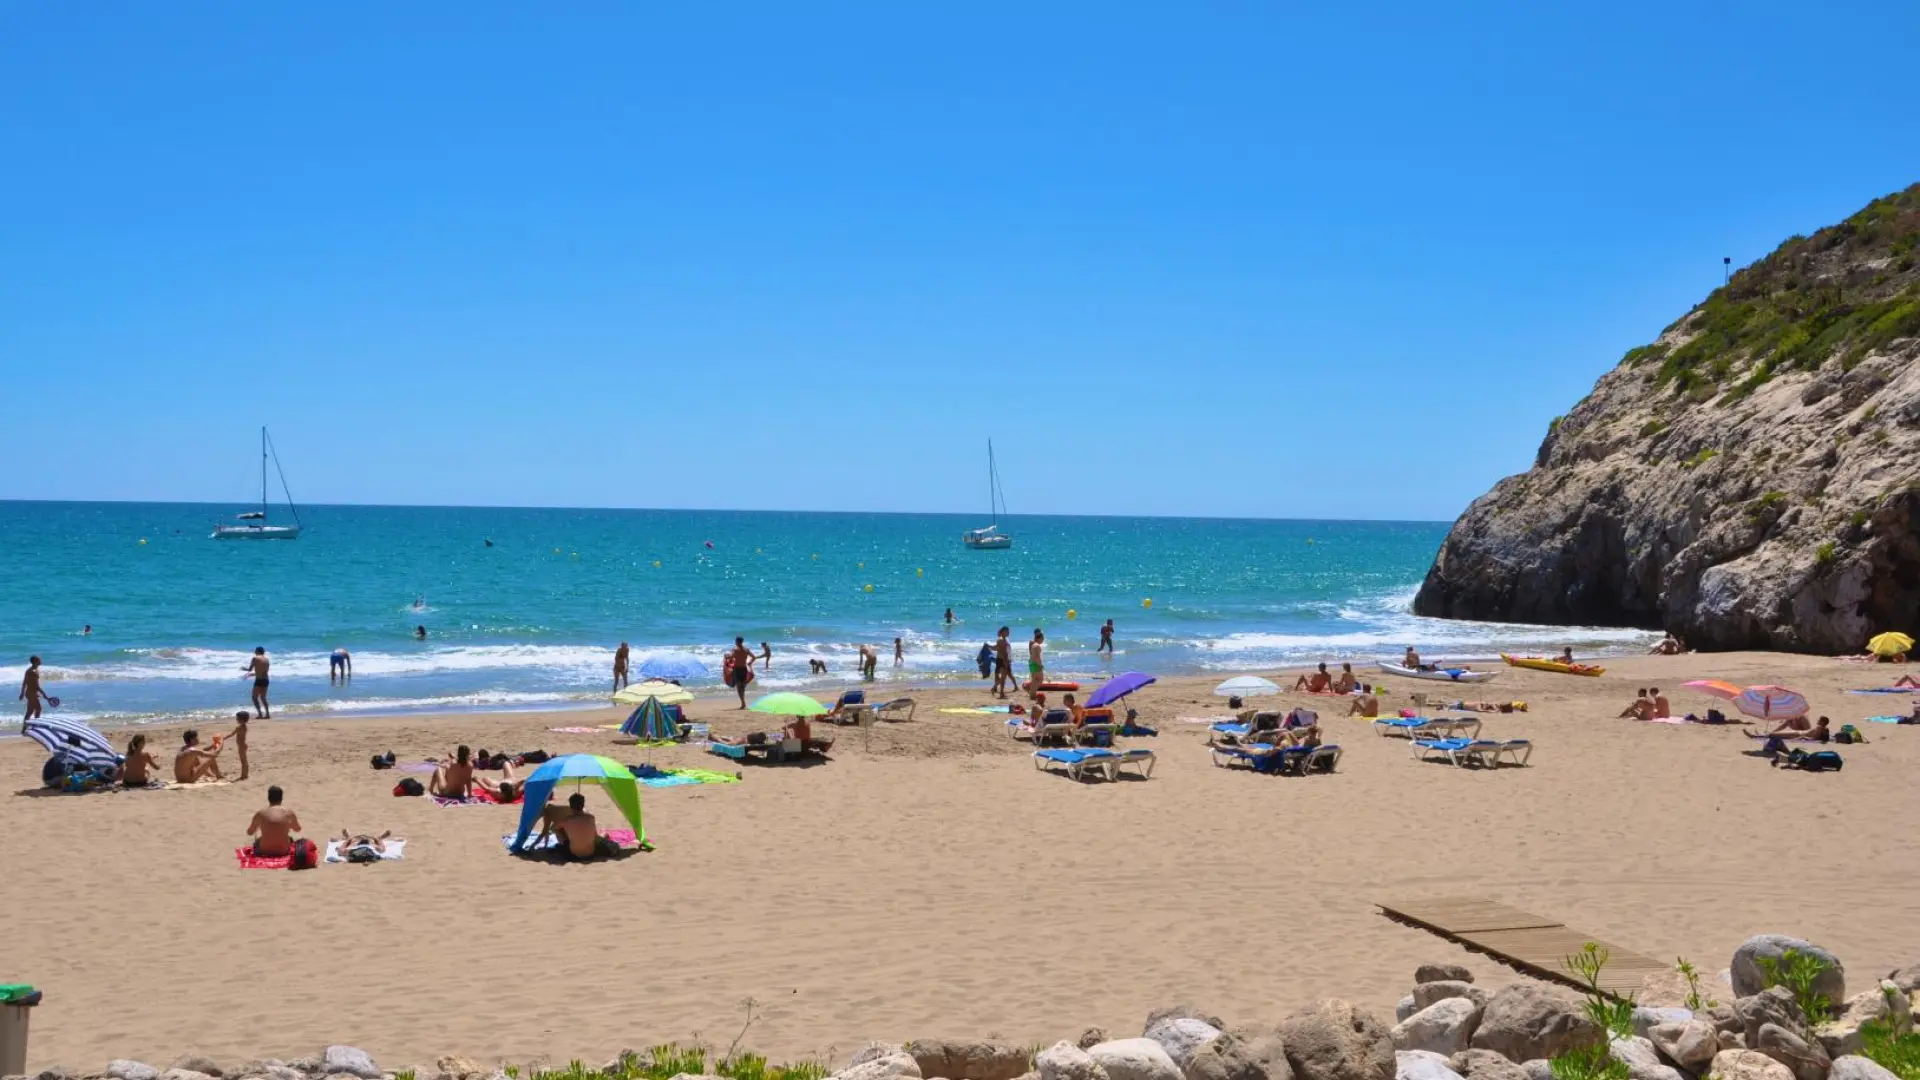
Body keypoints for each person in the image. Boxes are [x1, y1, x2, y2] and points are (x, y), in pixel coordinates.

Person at [554, 792, 618, 861]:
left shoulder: (567, 820)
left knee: (558, 829)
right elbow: (595, 836)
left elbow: (553, 827)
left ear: (570, 806)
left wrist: (565, 833)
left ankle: (565, 842)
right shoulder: (591, 818)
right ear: (583, 805)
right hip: (590, 854)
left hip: (573, 855)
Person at [247, 785, 302, 858]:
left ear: (268, 798)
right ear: (281, 798)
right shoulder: (289, 813)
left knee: (258, 839)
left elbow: (250, 832)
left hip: (264, 850)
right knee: (290, 838)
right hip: (283, 851)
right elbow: (298, 829)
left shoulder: (260, 813)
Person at [19, 655, 51, 721]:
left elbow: (24, 682)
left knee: (30, 711)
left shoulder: (29, 670)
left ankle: (26, 728)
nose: (40, 661)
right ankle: (35, 726)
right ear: (36, 662)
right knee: (38, 709)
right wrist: (44, 695)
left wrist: (22, 693)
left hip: (30, 693)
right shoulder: (33, 672)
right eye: (39, 660)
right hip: (32, 693)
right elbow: (37, 686)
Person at [242, 647, 271, 718]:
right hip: (266, 680)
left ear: (258, 651)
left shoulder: (255, 658)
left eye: (255, 650)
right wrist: (251, 674)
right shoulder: (267, 659)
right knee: (263, 698)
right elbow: (263, 672)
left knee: (254, 697)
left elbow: (250, 669)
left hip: (259, 680)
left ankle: (260, 714)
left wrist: (243, 668)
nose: (254, 651)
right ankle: (267, 714)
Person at [727, 637, 754, 707]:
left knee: (739, 687)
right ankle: (743, 702)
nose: (735, 642)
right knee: (742, 687)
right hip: (744, 669)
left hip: (737, 669)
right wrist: (750, 663)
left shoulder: (735, 650)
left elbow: (730, 657)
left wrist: (726, 656)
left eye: (735, 641)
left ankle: (743, 702)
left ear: (737, 642)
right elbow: (753, 657)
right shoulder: (746, 650)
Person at [228, 710, 252, 781]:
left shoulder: (239, 728)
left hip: (241, 746)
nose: (236, 719)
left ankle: (244, 775)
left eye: (237, 718)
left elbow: (231, 734)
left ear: (241, 719)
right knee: (244, 760)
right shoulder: (244, 727)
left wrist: (223, 738)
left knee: (243, 761)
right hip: (243, 745)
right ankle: (245, 775)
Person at [992, 627, 1016, 698]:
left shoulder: (1005, 640)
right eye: (1006, 631)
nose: (1008, 632)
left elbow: (1007, 651)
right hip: (1003, 660)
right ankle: (999, 691)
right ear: (1002, 632)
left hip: (1004, 660)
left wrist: (1009, 659)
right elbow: (1002, 651)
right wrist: (1006, 661)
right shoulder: (1001, 640)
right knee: (1003, 678)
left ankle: (997, 690)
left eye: (1008, 631)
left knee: (1003, 677)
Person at [1027, 629, 1046, 698]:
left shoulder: (1033, 645)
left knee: (1034, 680)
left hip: (1032, 663)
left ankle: (1032, 694)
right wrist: (1040, 665)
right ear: (1040, 638)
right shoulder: (1037, 646)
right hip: (1035, 664)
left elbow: (1033, 656)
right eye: (1043, 639)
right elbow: (1037, 657)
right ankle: (1032, 693)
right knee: (1040, 679)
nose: (1043, 640)